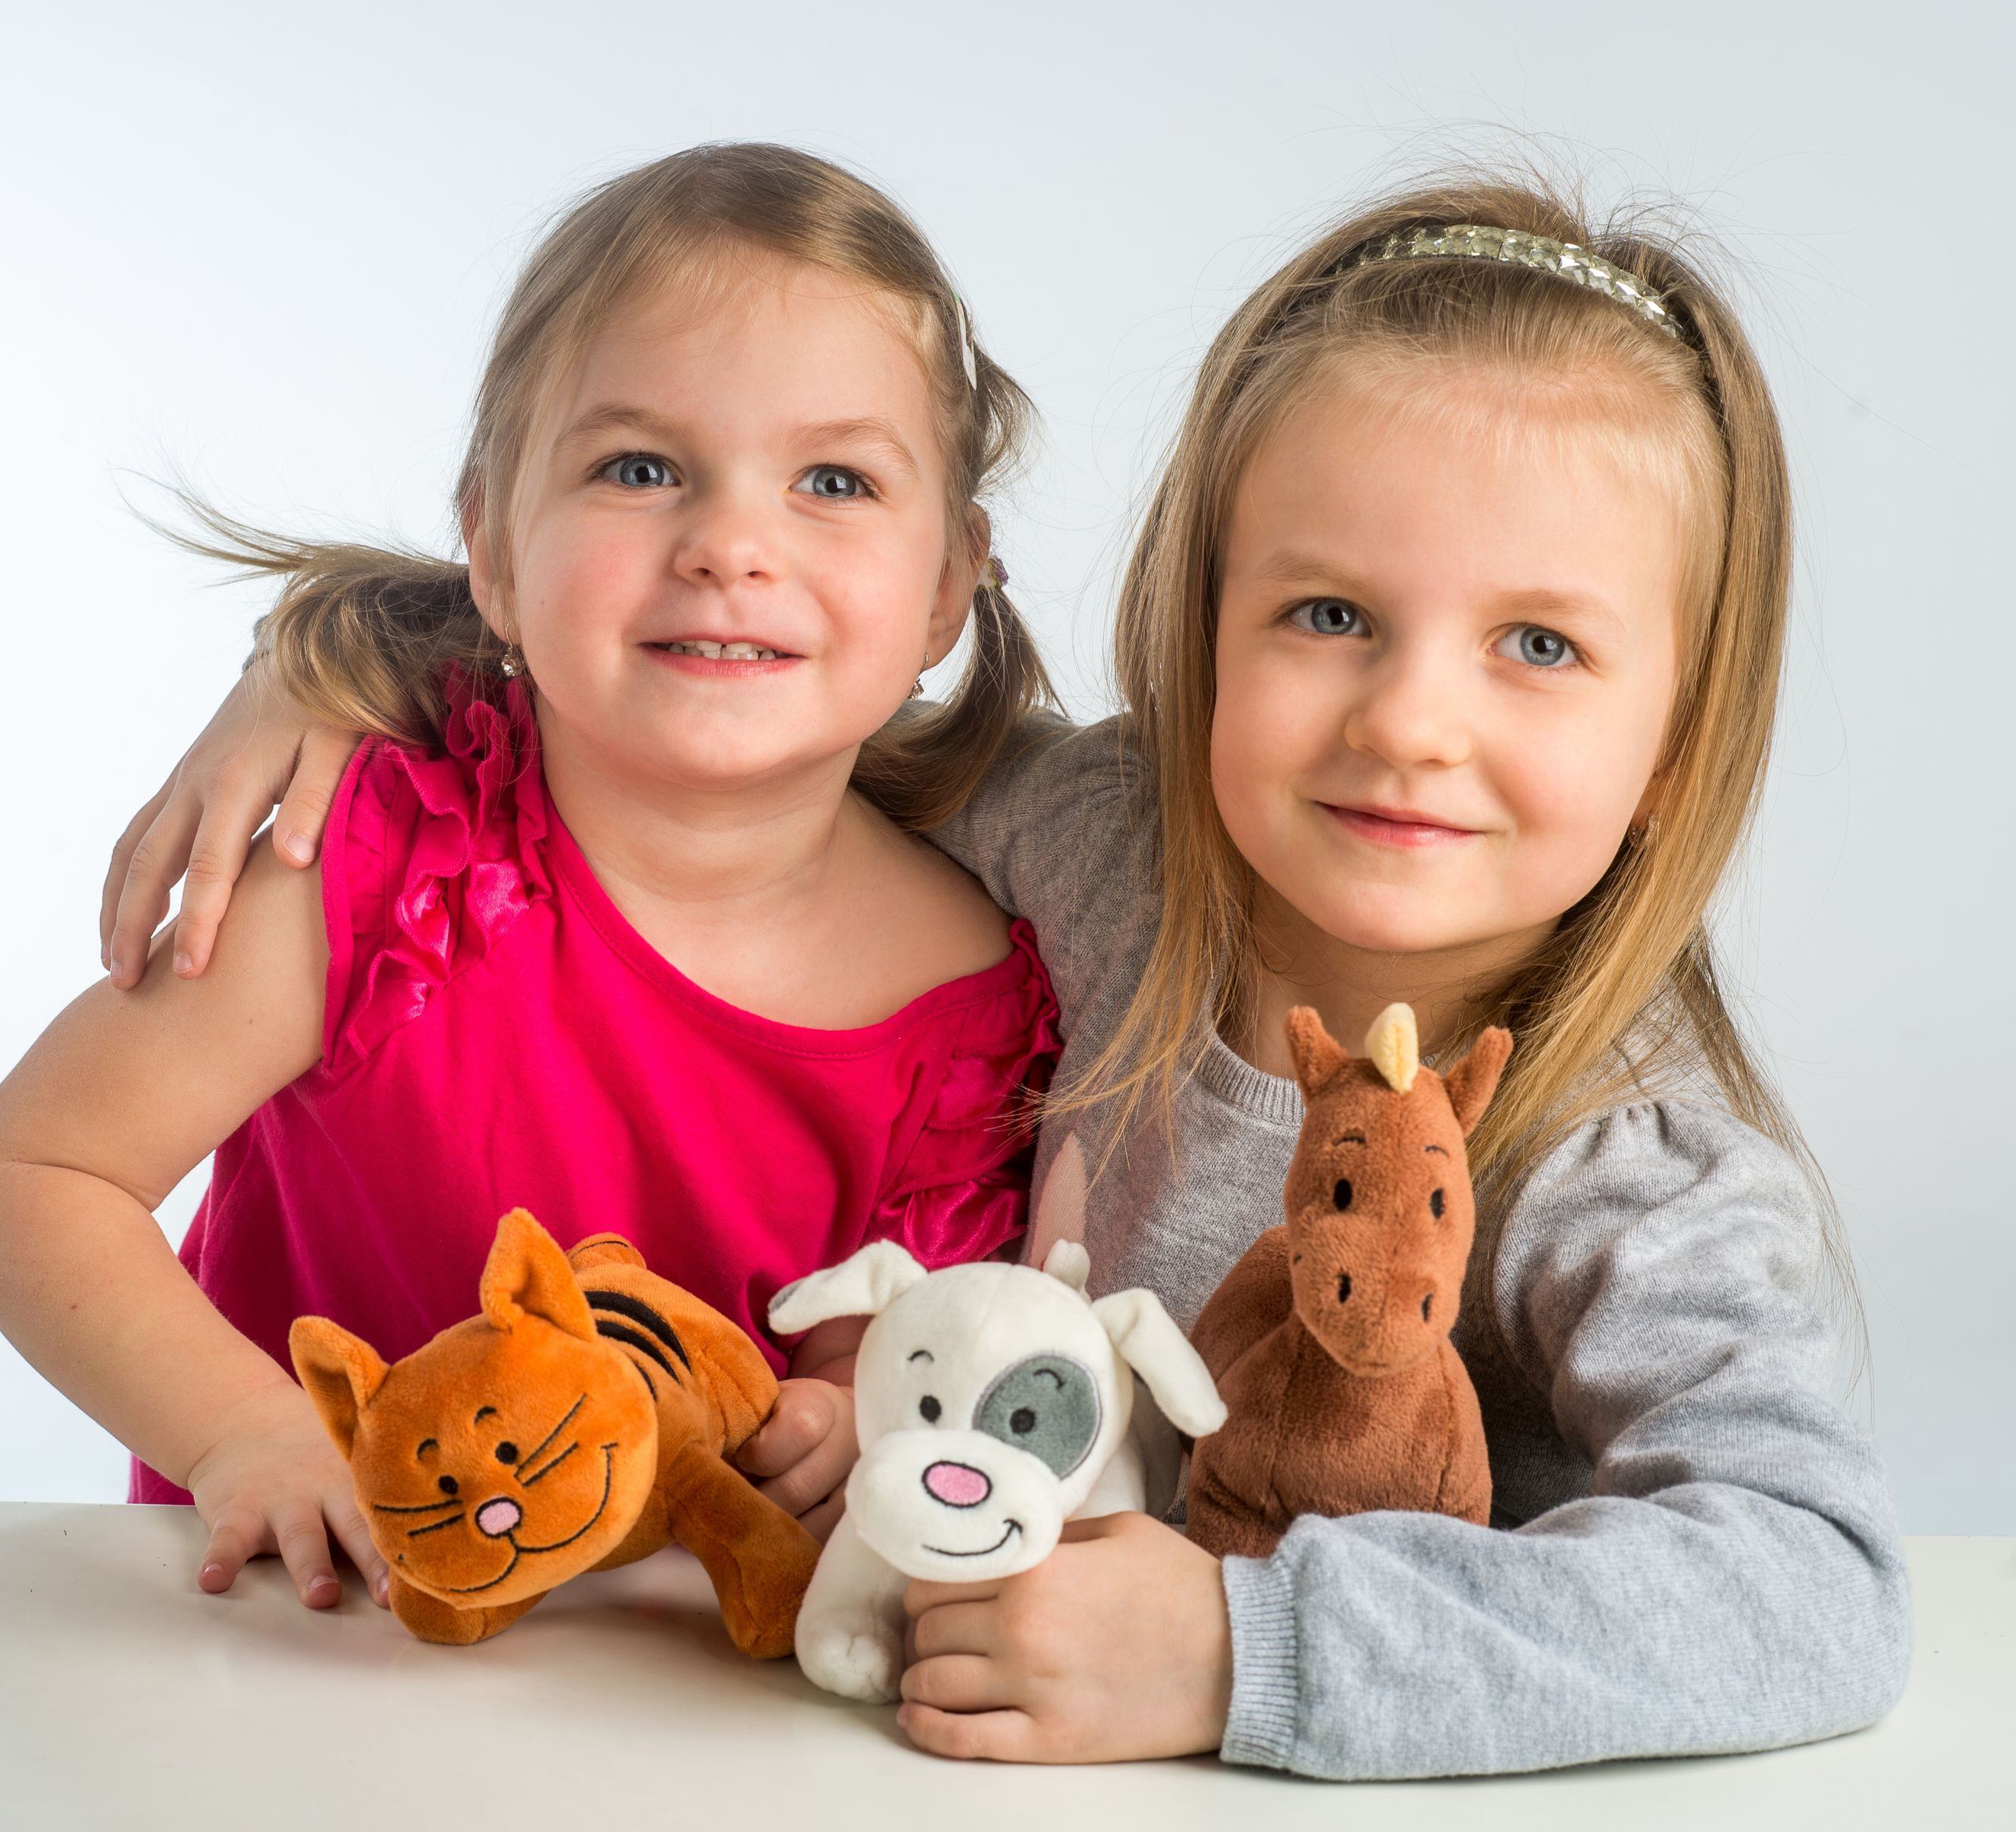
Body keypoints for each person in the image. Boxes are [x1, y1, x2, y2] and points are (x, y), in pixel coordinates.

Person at [95, 175, 1911, 1776]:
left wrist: (1245, 1651)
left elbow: (1814, 1587)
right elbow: (737, 689)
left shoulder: (1631, 1161)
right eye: (1329, 614)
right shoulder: (1103, 844)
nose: (1410, 721)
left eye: (1539, 645)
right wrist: (342, 661)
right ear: (1204, 626)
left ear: (1678, 741)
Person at [0, 143, 1062, 1620]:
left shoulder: (972, 1010)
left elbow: (881, 1351)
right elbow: (35, 1179)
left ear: (946, 587)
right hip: (301, 1623)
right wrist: (243, 1431)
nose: (731, 546)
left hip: (670, 1679)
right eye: (639, 468)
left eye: (834, 480)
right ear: (489, 545)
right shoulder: (375, 859)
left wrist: (844, 1422)